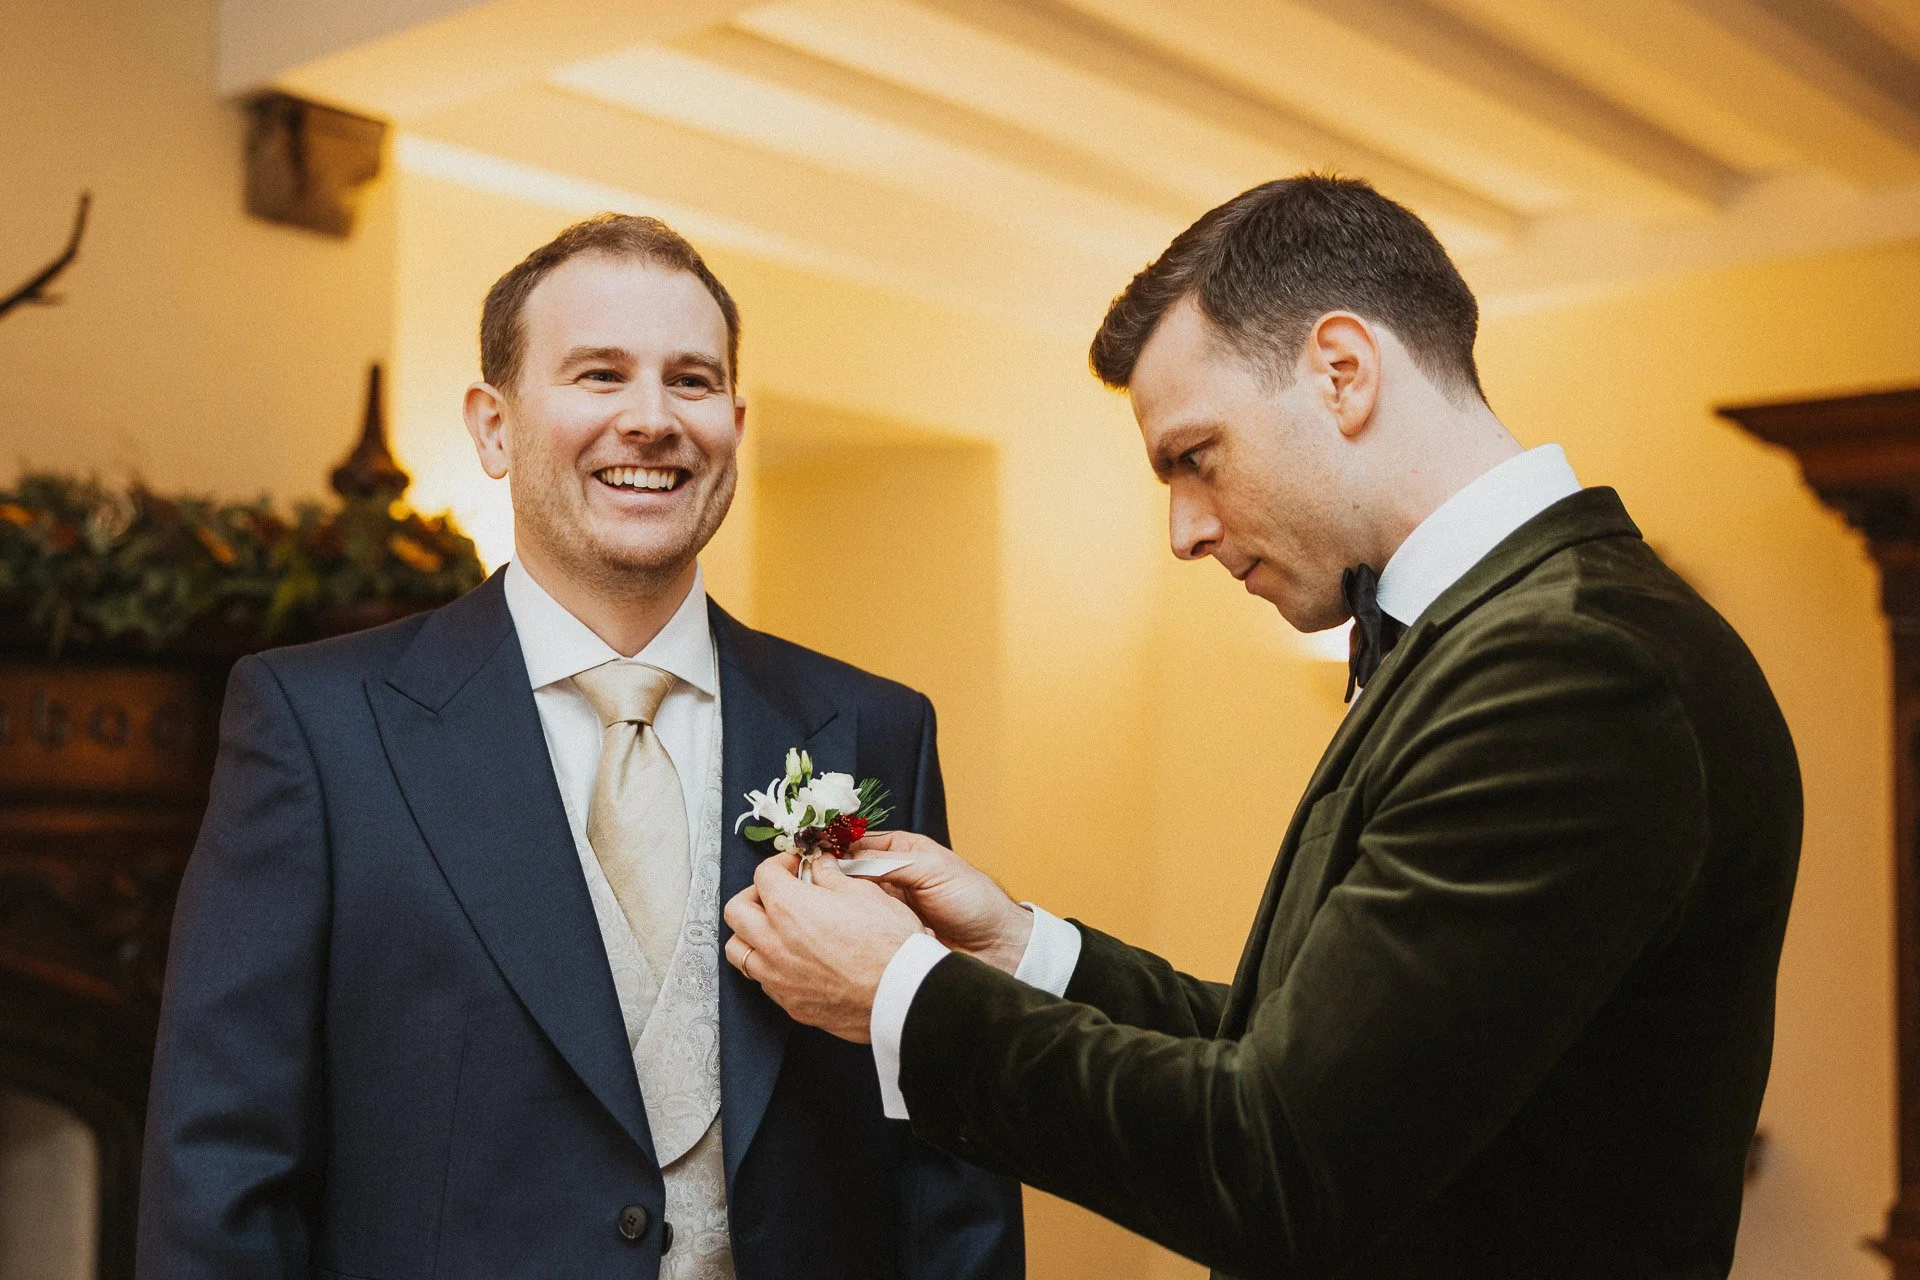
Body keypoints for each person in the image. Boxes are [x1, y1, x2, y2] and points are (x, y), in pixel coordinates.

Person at [720, 176, 1802, 1279]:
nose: (1185, 530)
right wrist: (1014, 949)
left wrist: (902, 992)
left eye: (1196, 456)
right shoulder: (1497, 639)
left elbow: (1281, 1159)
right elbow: (1292, 1058)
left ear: (1343, 371)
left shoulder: (1573, 668)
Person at [137, 214, 1023, 1280]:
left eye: (691, 382)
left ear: (734, 423)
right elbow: (220, 1165)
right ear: (494, 426)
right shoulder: (317, 726)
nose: (652, 420)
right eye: (599, 375)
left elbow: (944, 1139)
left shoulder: (872, 726)